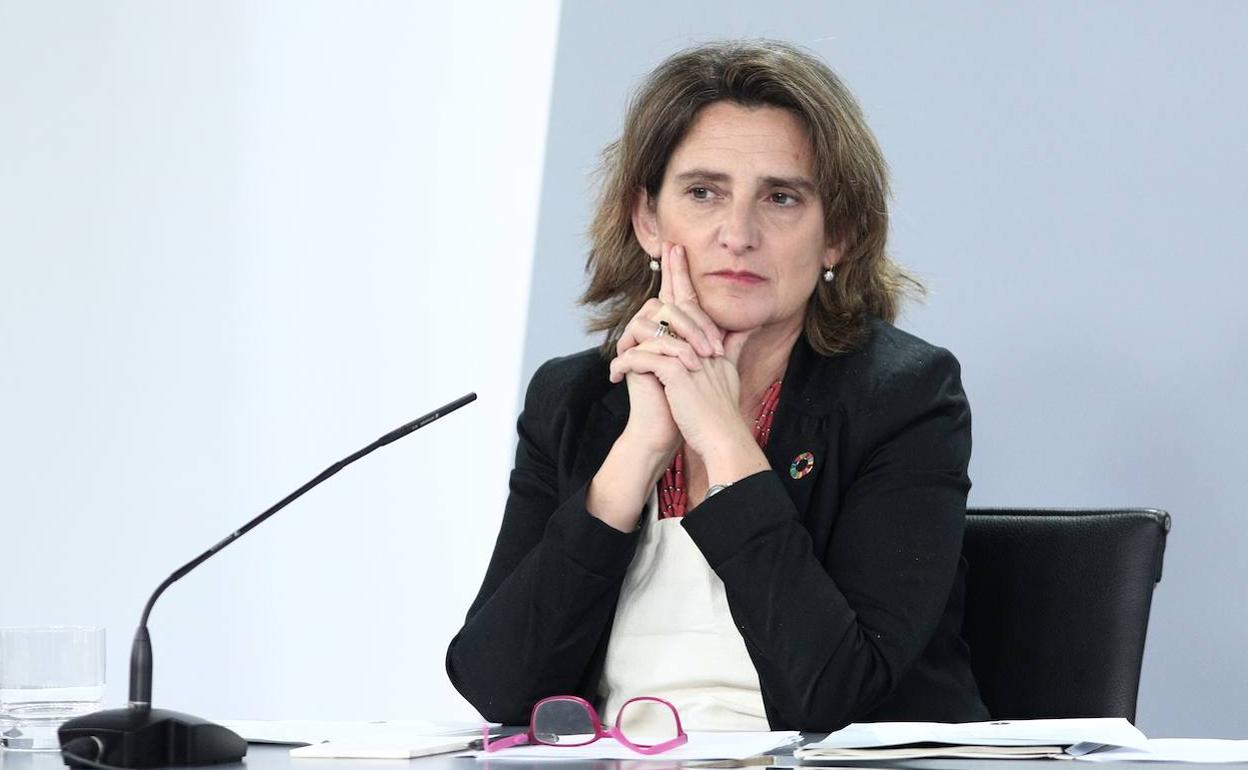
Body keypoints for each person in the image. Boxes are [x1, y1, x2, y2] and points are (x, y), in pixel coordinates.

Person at [446, 39, 989, 732]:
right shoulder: (574, 399)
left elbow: (836, 694)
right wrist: (640, 449)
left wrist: (725, 440)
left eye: (781, 198)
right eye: (704, 193)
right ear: (648, 220)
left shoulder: (903, 396)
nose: (738, 234)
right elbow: (497, 685)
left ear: (838, 235)